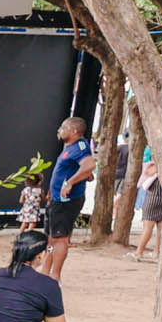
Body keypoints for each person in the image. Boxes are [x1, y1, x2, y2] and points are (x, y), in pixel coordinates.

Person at [40, 117, 94, 276]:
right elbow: (82, 170)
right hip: (56, 199)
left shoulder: (81, 146)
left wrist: (70, 183)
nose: (59, 130)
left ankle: (55, 275)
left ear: (74, 131)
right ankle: (45, 271)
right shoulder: (69, 148)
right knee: (50, 239)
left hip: (66, 201)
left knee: (60, 239)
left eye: (63, 127)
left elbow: (90, 165)